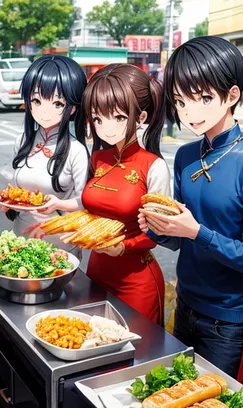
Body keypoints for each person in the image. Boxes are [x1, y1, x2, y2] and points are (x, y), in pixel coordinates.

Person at [138, 36, 243, 378]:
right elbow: (180, 240)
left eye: (203, 98)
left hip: (229, 323)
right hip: (185, 303)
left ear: (231, 95)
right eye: (180, 101)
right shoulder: (187, 156)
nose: (190, 112)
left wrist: (195, 231)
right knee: (174, 399)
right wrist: (157, 228)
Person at [80, 63, 171, 325]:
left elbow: (158, 234)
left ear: (140, 118)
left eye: (118, 117)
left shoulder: (153, 166)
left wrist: (122, 248)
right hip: (96, 271)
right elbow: (92, 212)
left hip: (136, 282)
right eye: (97, 118)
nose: (105, 127)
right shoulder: (98, 158)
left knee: (135, 357)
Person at [7, 55, 89, 256]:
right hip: (21, 240)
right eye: (36, 100)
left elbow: (85, 204)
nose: (44, 110)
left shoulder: (76, 151)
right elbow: (19, 191)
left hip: (59, 246)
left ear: (72, 108)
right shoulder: (22, 141)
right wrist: (10, 202)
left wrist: (58, 205)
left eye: (58, 103)